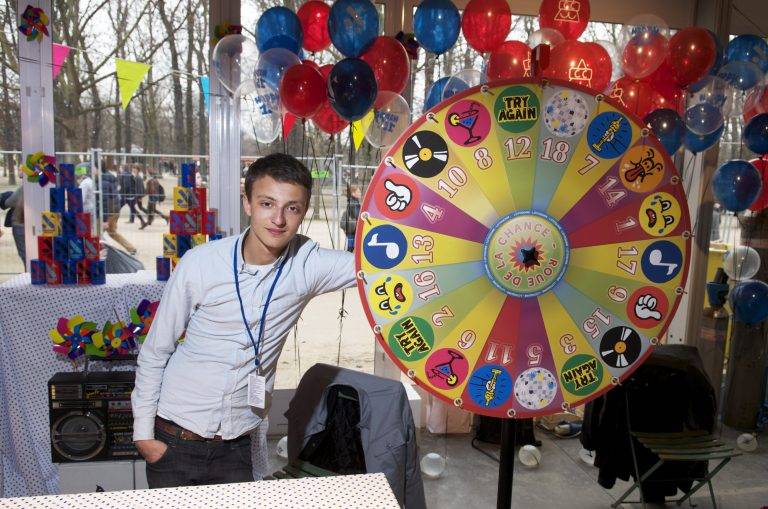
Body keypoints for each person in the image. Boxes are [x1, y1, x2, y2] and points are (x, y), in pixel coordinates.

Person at [131, 153, 355, 488]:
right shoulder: (200, 263)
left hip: (237, 446)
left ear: (304, 212)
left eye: (292, 208)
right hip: (174, 439)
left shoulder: (309, 265)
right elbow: (155, 351)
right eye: (267, 203)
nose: (278, 219)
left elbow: (379, 266)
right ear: (247, 204)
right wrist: (144, 437)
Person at [102, 166, 137, 254]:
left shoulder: (103, 180)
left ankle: (102, 250)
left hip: (110, 210)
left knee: (107, 232)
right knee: (111, 232)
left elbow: (105, 198)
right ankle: (131, 248)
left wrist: (105, 218)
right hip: (114, 208)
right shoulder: (111, 177)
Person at [341, 184, 361, 252]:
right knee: (351, 247)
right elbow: (357, 215)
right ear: (353, 193)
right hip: (353, 227)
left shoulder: (352, 200)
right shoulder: (354, 202)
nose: (360, 193)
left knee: (351, 245)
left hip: (351, 227)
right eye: (358, 192)